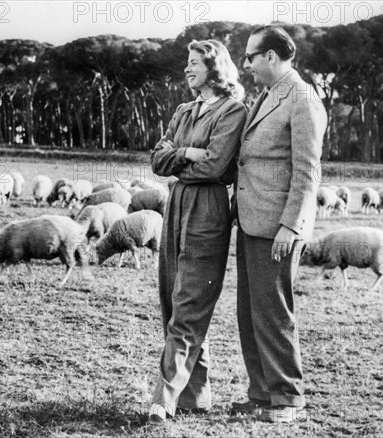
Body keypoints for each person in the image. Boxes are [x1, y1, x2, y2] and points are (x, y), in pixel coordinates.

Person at [230, 26, 327, 423]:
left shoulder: (302, 98)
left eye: (251, 56)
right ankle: (262, 394)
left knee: (273, 312)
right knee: (250, 312)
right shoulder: (269, 95)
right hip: (252, 221)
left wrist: (291, 226)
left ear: (271, 56)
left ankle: (288, 397)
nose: (246, 64)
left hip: (277, 227)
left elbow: (308, 171)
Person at [148, 39, 247, 425]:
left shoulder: (233, 110)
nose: (187, 69)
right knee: (172, 300)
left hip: (208, 208)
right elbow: (157, 158)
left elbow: (216, 166)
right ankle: (196, 396)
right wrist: (188, 154)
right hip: (175, 204)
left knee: (190, 304)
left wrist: (181, 157)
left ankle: (164, 399)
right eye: (186, 62)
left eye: (194, 63)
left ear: (215, 67)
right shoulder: (184, 109)